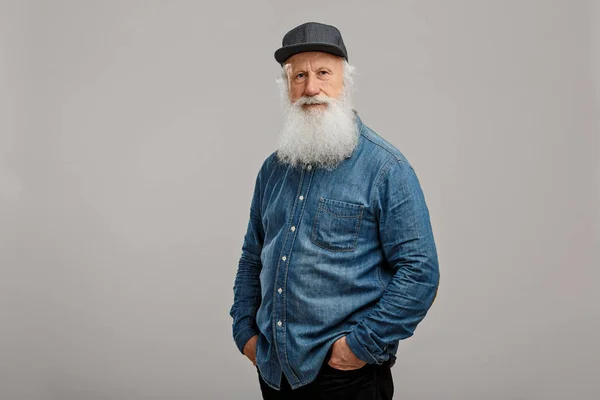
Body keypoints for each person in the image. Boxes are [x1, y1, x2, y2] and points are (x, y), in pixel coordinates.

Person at [229, 21, 440, 400]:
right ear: (287, 87)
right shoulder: (272, 169)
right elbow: (252, 256)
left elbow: (419, 271)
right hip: (275, 373)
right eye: (299, 76)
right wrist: (244, 331)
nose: (311, 88)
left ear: (346, 80)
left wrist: (359, 347)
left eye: (324, 73)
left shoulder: (385, 168)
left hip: (345, 377)